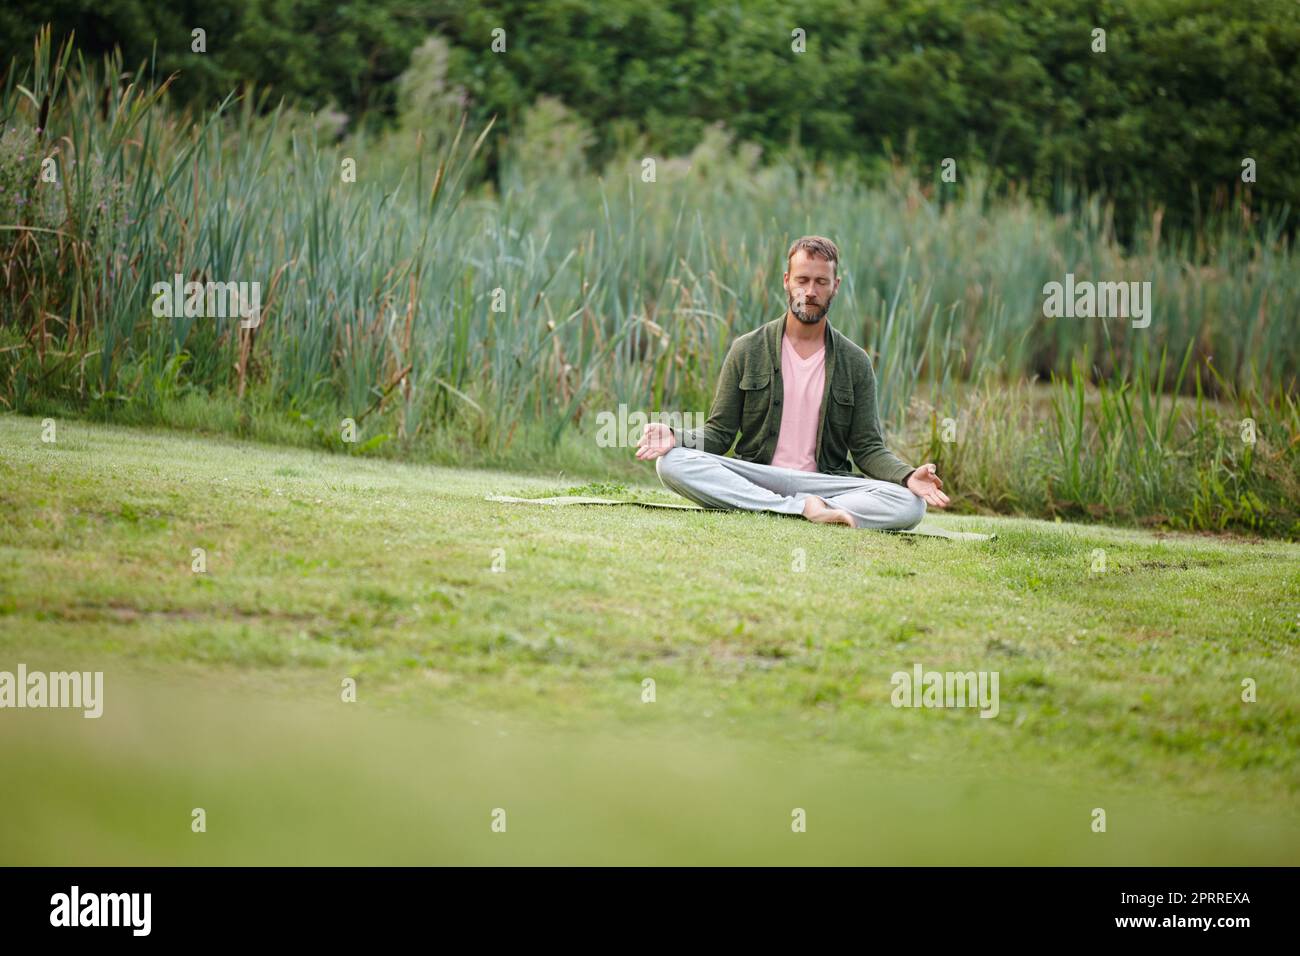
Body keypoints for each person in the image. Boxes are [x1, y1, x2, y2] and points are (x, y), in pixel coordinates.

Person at [634, 235, 949, 530]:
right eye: (802, 280)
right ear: (787, 281)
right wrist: (677, 437)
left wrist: (907, 476)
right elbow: (720, 434)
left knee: (911, 504)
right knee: (672, 463)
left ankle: (806, 504)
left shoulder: (856, 362)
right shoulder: (747, 349)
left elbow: (867, 448)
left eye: (821, 282)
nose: (810, 291)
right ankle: (801, 508)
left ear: (835, 286)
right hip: (758, 475)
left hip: (824, 482)